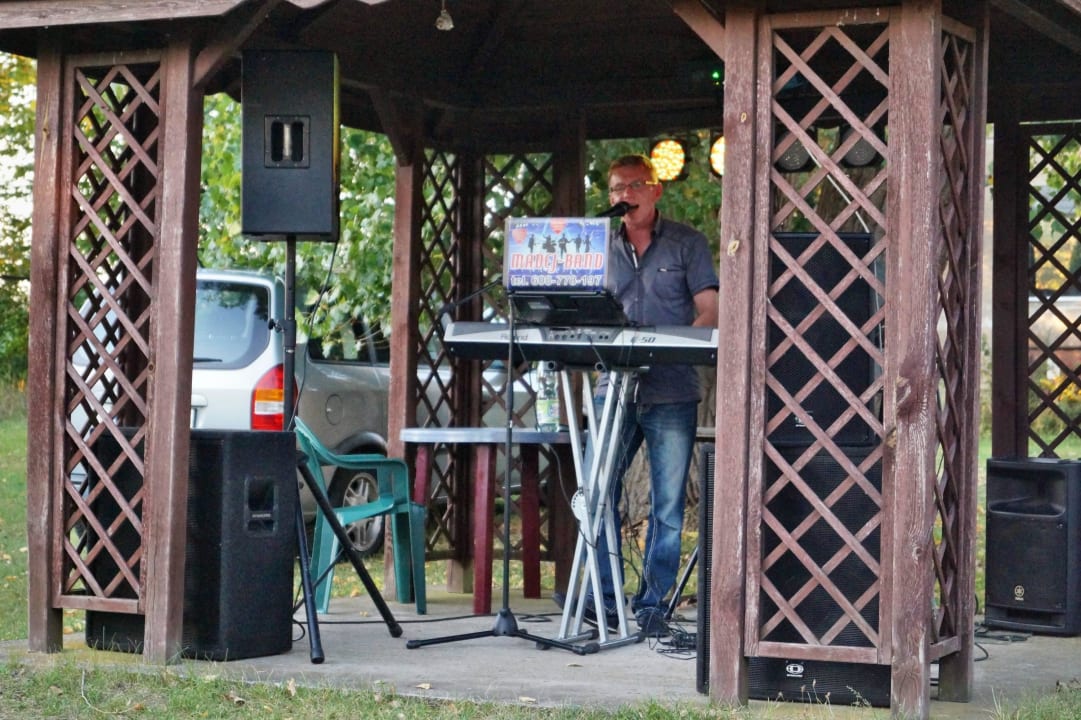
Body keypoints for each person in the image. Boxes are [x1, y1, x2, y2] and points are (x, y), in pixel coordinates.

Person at [556, 154, 719, 638]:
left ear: (655, 190)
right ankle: (604, 600)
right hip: (613, 387)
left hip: (671, 388)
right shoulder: (598, 246)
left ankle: (651, 605)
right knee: (596, 492)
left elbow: (709, 311)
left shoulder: (687, 243)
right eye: (613, 189)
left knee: (667, 506)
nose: (622, 196)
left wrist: (672, 348)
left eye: (631, 186)